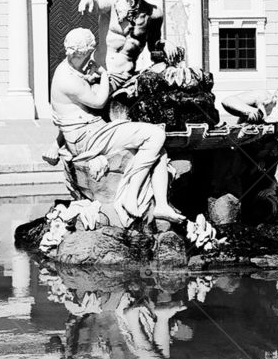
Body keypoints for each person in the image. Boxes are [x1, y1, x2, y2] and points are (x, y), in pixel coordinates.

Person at [49, 28, 184, 226]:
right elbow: (100, 101)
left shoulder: (70, 68)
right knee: (155, 134)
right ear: (80, 53)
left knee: (159, 151)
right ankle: (131, 195)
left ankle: (162, 205)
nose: (91, 57)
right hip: (88, 139)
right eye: (89, 53)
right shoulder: (68, 80)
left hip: (91, 132)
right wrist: (104, 74)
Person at [78, 0, 165, 90]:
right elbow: (98, 4)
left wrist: (165, 46)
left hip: (126, 76)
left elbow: (155, 48)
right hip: (100, 71)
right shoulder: (113, 2)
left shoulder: (153, 14)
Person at [221, 89, 278, 187]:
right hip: (242, 148)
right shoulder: (261, 96)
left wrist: (274, 186)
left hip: (266, 158)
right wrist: (249, 110)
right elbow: (227, 101)